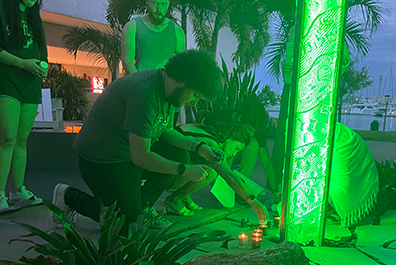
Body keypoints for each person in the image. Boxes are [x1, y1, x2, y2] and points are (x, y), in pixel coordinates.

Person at [50, 50, 262, 234]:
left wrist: (199, 147)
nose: (194, 102)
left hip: (128, 154)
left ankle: (138, 206)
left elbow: (165, 131)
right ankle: (68, 196)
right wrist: (185, 170)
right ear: (182, 81)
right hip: (101, 160)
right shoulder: (144, 93)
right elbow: (141, 156)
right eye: (195, 96)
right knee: (125, 225)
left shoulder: (170, 94)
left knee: (178, 154)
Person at [0, 0, 48, 212]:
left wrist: (43, 65)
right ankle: (0, 195)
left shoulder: (33, 16)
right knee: (6, 138)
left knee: (21, 139)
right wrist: (23, 64)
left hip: (30, 83)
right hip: (7, 80)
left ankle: (17, 191)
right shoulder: (1, 8)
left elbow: (41, 49)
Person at [162, 122, 268, 221]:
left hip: (166, 157)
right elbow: (229, 175)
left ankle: (185, 195)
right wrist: (252, 201)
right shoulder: (214, 146)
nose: (234, 154)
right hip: (164, 168)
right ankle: (175, 199)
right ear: (229, 139)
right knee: (210, 172)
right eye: (236, 148)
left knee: (203, 165)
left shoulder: (209, 134)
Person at [203, 101, 279, 197]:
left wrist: (275, 190)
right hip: (215, 159)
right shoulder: (217, 119)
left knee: (253, 143)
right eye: (249, 130)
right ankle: (226, 185)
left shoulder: (256, 126)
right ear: (239, 119)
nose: (252, 134)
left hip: (237, 156)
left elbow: (266, 162)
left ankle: (242, 185)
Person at [121, 0, 185, 74]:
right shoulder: (132, 27)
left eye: (163, 4)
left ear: (168, 3)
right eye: (155, 3)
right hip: (141, 84)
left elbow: (182, 64)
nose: (159, 9)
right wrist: (142, 83)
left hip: (165, 86)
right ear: (147, 1)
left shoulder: (177, 31)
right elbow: (127, 62)